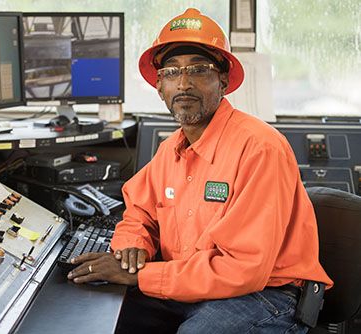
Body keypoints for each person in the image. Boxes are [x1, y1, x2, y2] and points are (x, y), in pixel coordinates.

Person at [67, 8, 333, 333]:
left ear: (223, 80)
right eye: (171, 72)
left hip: (266, 296)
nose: (183, 83)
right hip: (189, 285)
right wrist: (131, 247)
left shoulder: (260, 148)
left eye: (199, 69)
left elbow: (245, 269)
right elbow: (139, 213)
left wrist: (141, 275)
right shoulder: (171, 151)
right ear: (159, 86)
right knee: (93, 312)